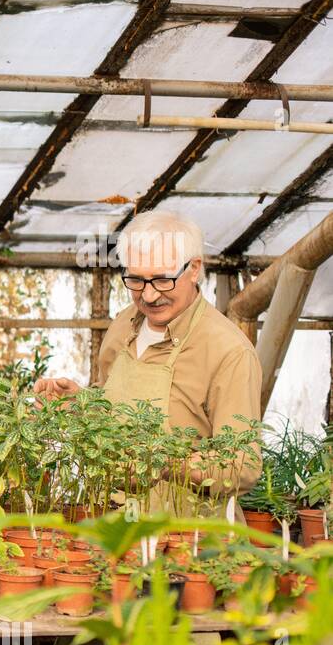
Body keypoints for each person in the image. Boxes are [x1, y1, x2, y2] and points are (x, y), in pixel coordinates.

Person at [35, 211, 263, 501]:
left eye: (162, 280)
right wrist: (79, 404)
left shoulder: (228, 351)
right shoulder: (123, 325)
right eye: (136, 280)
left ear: (194, 269)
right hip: (115, 523)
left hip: (189, 536)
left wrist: (164, 464)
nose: (150, 296)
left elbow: (243, 467)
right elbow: (114, 411)